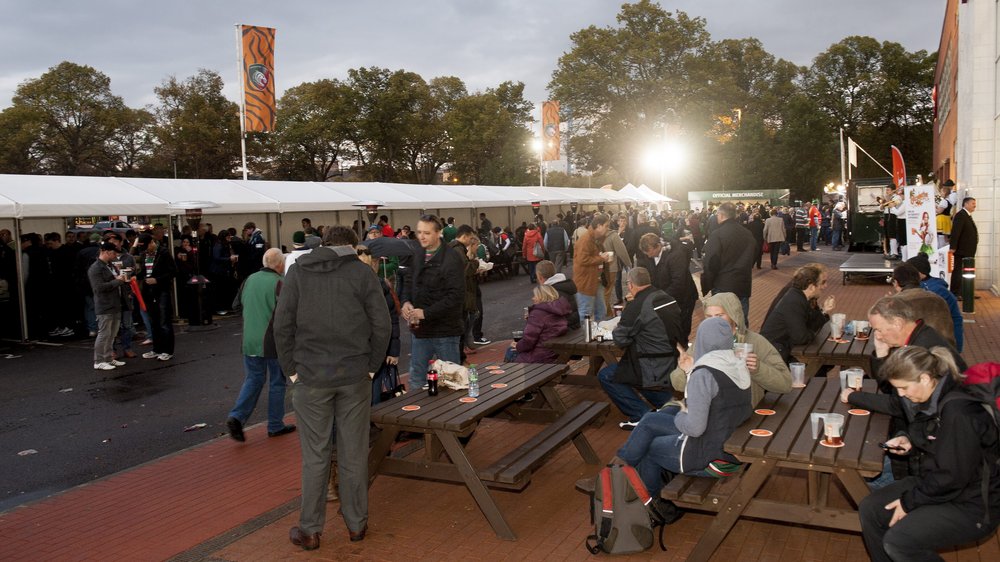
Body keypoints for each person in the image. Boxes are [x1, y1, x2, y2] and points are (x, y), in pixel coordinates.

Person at [273, 225, 391, 550]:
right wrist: (371, 368)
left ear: (324, 244)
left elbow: (282, 324)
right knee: (354, 453)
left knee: (316, 455)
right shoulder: (362, 274)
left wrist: (292, 371)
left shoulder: (298, 273)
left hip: (311, 377)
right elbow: (382, 324)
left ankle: (310, 529)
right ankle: (357, 524)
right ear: (353, 246)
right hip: (354, 375)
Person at [858, 346, 1000, 562]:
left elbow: (952, 475)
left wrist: (908, 502)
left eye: (904, 388)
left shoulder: (958, 412)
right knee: (871, 509)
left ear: (924, 378)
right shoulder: (934, 397)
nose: (901, 394)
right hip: (939, 484)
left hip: (972, 504)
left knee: (900, 542)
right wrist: (910, 442)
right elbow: (941, 446)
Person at [616, 317, 752, 504]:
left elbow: (695, 427)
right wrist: (690, 373)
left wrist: (681, 414)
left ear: (702, 341)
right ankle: (622, 471)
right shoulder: (737, 365)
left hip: (710, 456)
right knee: (651, 421)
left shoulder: (704, 373)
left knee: (648, 444)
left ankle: (648, 504)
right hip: (727, 447)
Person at [670, 292, 791, 408]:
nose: (714, 321)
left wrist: (758, 369)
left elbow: (785, 384)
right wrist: (685, 370)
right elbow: (678, 385)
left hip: (745, 416)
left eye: (719, 315)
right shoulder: (702, 342)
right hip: (710, 417)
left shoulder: (755, 342)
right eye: (709, 316)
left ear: (734, 315)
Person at [597, 267, 683, 429]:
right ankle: (672, 407)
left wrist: (619, 325)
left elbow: (620, 339)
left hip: (649, 362)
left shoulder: (637, 305)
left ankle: (640, 414)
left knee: (608, 375)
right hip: (671, 357)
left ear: (630, 285)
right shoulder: (666, 297)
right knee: (631, 371)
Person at [226, 249, 295, 442]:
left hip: (249, 339)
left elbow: (236, 306)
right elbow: (287, 314)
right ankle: (275, 424)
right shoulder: (280, 283)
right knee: (277, 382)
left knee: (253, 379)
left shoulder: (249, 280)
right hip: (272, 341)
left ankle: (237, 416)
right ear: (280, 265)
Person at [401, 215, 465, 391]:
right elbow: (408, 281)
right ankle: (415, 415)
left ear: (439, 233)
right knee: (416, 378)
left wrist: (426, 313)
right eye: (419, 232)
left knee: (452, 380)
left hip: (445, 330)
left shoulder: (452, 258)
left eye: (427, 233)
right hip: (420, 330)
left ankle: (454, 417)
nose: (421, 236)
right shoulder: (417, 253)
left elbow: (456, 296)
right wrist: (406, 301)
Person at [760, 264, 835, 364]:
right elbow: (801, 337)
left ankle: (815, 378)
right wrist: (812, 333)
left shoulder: (801, 297)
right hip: (774, 355)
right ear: (812, 287)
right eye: (823, 283)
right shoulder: (794, 301)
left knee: (824, 362)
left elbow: (812, 324)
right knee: (821, 362)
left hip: (783, 349)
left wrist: (824, 311)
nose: (825, 286)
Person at [635, 231, 697, 345]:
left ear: (658, 246)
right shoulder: (649, 255)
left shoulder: (676, 255)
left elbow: (678, 283)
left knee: (681, 328)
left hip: (683, 298)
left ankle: (682, 352)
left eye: (649, 252)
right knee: (668, 328)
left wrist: (658, 297)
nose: (648, 255)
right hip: (665, 298)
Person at [700, 202, 755, 323]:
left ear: (720, 215)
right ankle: (740, 341)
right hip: (743, 285)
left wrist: (706, 285)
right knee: (741, 323)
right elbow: (753, 257)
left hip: (722, 286)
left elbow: (710, 263)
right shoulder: (747, 234)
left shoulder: (717, 234)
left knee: (721, 325)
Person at [890, 263, 958, 351]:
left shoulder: (897, 303)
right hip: (945, 353)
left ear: (896, 282)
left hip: (915, 357)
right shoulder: (938, 299)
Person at [906, 253, 963, 352]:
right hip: (941, 337)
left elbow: (922, 313)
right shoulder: (928, 285)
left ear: (919, 272)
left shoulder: (935, 290)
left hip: (946, 339)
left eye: (909, 272)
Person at [504, 284, 571, 363]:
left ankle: (507, 374)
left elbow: (528, 341)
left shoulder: (538, 314)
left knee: (510, 351)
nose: (533, 298)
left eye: (535, 295)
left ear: (541, 297)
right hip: (554, 354)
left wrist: (518, 346)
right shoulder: (559, 310)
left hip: (539, 357)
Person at [135, 235, 176, 362]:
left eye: (146, 247)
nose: (145, 251)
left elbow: (173, 272)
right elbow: (143, 272)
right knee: (154, 321)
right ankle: (157, 348)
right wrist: (134, 274)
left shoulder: (163, 253)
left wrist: (157, 280)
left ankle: (168, 350)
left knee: (164, 321)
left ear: (151, 243)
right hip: (148, 291)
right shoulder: (144, 255)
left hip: (161, 290)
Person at [88, 241, 128, 370]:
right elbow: (98, 288)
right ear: (105, 252)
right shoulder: (95, 268)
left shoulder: (109, 265)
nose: (115, 256)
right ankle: (99, 360)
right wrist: (117, 281)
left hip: (115, 303)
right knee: (104, 333)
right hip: (105, 305)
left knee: (112, 334)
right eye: (112, 253)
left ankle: (108, 358)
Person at [572, 213, 614, 322]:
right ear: (599, 226)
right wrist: (601, 259)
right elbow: (582, 259)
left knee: (601, 310)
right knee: (586, 312)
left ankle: (599, 333)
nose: (608, 228)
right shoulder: (585, 240)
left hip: (595, 281)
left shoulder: (596, 238)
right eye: (606, 226)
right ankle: (583, 336)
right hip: (585, 282)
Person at [536, 259, 579, 330]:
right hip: (574, 326)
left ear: (540, 277)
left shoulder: (550, 291)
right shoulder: (564, 285)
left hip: (563, 330)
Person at [949, 196, 978, 298]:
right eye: (972, 203)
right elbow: (955, 232)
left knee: (968, 272)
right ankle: (955, 292)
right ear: (965, 204)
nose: (975, 205)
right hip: (961, 250)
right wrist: (953, 247)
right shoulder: (961, 215)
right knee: (958, 271)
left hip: (969, 250)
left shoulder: (967, 215)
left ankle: (967, 292)